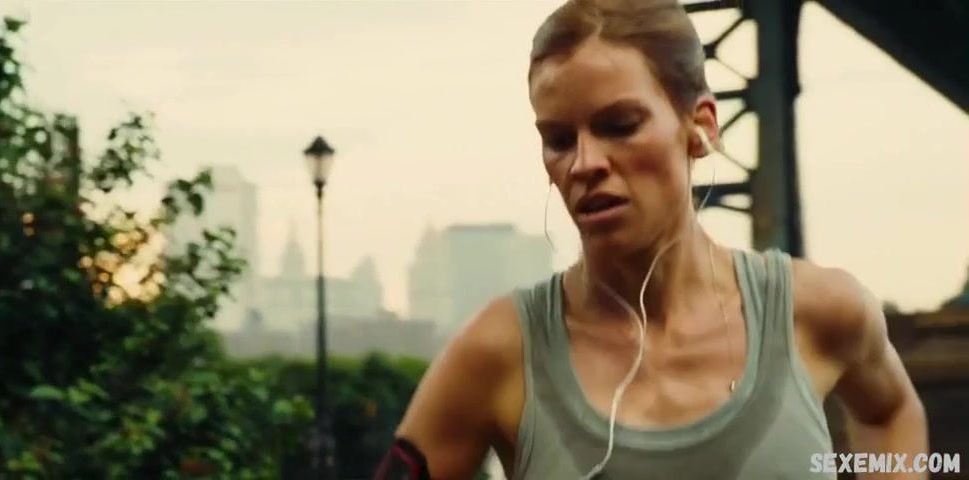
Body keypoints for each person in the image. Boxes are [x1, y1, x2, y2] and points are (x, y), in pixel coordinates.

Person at [374, 0, 928, 479]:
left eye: (619, 126)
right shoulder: (501, 351)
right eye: (559, 139)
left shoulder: (818, 311)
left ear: (702, 126)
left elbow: (889, 414)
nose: (584, 164)